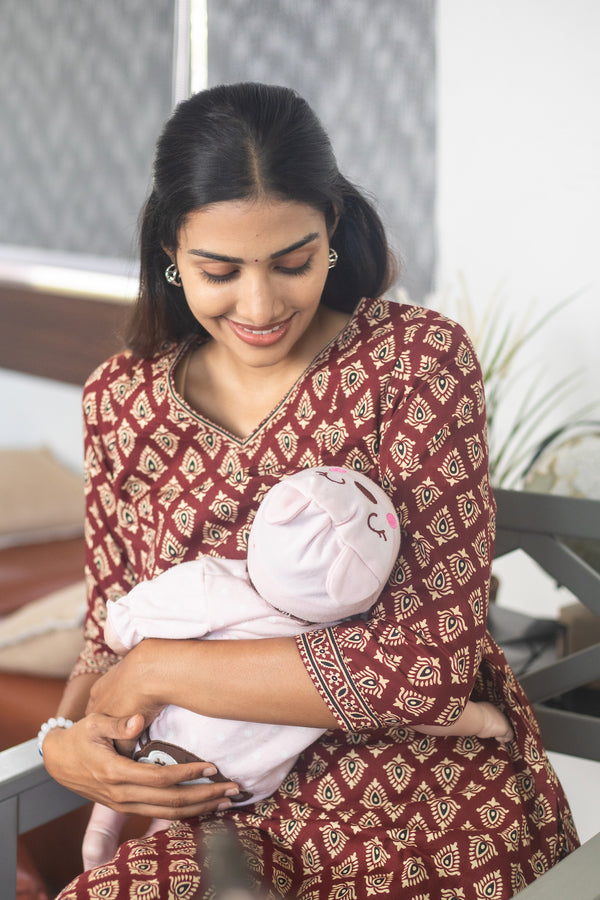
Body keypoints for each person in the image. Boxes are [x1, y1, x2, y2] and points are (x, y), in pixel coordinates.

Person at [41, 82, 578, 899]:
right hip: (223, 818)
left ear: (333, 233)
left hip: (427, 802)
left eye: (293, 261)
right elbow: (107, 642)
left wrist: (158, 669)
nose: (260, 306)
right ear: (168, 256)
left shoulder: (414, 366)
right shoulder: (122, 402)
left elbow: (425, 667)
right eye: (217, 270)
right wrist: (64, 740)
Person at [81, 465, 513, 871]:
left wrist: (124, 645)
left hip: (152, 738)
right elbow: (416, 706)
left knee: (142, 781)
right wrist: (482, 721)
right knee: (175, 819)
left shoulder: (211, 584)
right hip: (240, 788)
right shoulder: (345, 650)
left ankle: (101, 832)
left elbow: (125, 622)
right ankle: (146, 835)